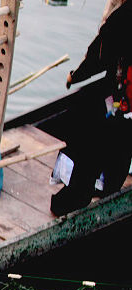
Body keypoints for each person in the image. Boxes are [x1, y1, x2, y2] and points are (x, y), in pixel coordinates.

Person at [50, 0, 131, 215]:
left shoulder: (122, 17)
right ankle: (108, 187)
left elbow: (101, 54)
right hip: (123, 94)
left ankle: (82, 192)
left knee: (91, 118)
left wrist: (75, 76)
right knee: (113, 127)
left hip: (124, 96)